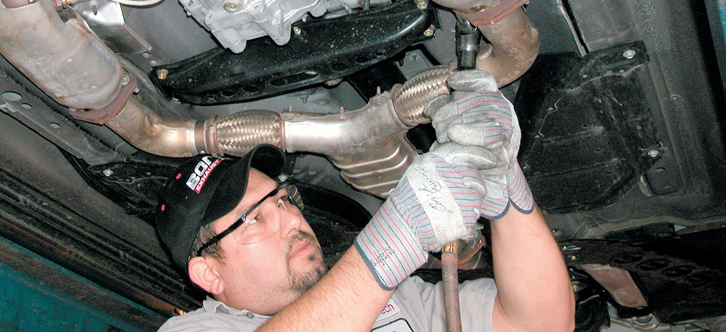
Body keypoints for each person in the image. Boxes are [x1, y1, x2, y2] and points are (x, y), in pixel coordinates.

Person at [155, 71, 575, 332]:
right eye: (253, 218)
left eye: (282, 200)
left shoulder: (397, 299)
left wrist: (504, 184)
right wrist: (394, 242)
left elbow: (541, 324)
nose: (292, 220)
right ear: (209, 274)